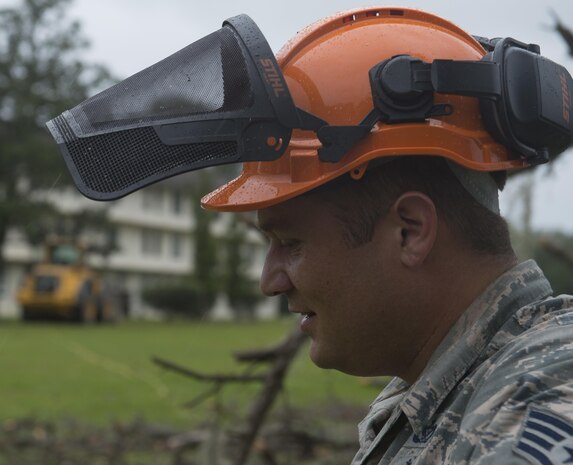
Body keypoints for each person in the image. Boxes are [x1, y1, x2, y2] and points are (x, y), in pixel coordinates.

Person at [47, 6, 573, 464]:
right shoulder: (445, 389)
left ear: (410, 231)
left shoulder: (540, 400)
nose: (270, 281)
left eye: (290, 244)